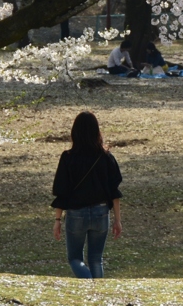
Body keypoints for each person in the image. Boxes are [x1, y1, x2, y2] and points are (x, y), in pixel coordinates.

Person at [51, 111, 123, 279]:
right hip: (101, 212)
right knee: (96, 259)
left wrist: (57, 220)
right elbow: (114, 191)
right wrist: (117, 220)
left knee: (75, 258)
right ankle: (98, 294)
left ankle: (90, 285)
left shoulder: (68, 158)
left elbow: (62, 191)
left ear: (75, 132)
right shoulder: (105, 157)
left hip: (76, 214)